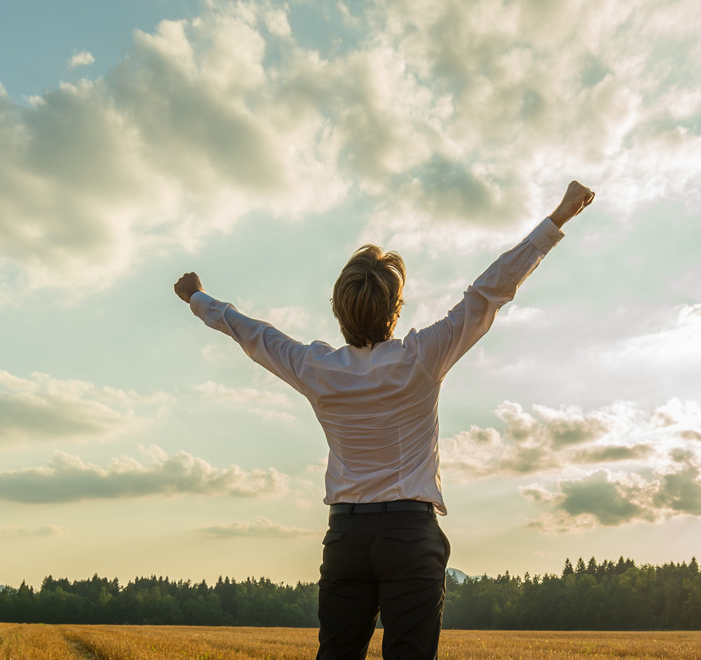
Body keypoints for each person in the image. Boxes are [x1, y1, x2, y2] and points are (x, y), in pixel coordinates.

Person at [174, 181, 595, 659]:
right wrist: (558, 217)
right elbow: (490, 292)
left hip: (347, 537)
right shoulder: (422, 356)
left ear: (337, 309)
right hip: (409, 536)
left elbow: (253, 334)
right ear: (396, 310)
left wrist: (197, 298)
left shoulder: (316, 368)